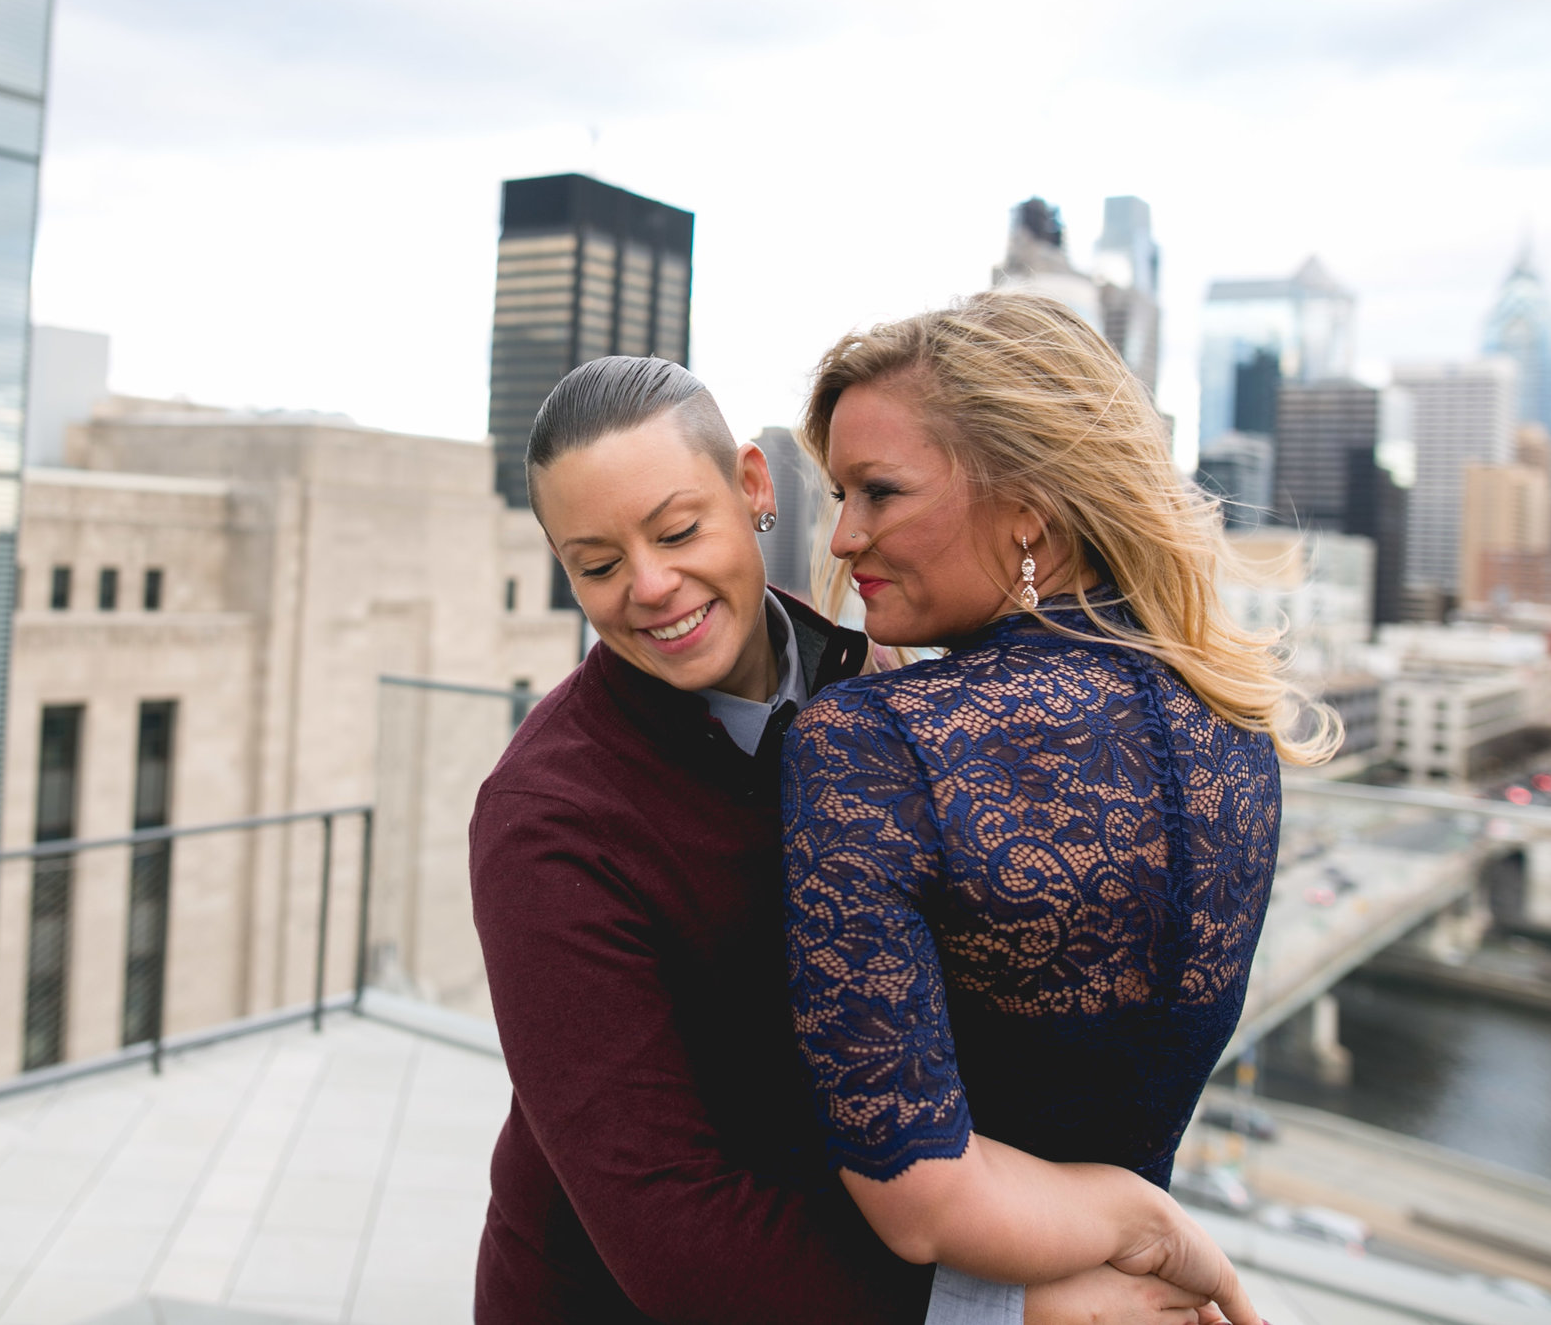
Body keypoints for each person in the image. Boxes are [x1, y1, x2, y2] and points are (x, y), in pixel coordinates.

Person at [470, 354, 1240, 1325]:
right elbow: (670, 1225)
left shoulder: (871, 684)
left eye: (676, 529)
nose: (651, 584)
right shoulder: (546, 818)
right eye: (597, 563)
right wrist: (1014, 1306)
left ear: (752, 488)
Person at [782, 294, 1330, 1304]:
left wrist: (1154, 1226)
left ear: (1028, 506)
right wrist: (1146, 1216)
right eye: (838, 493)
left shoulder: (875, 744)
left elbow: (917, 1196)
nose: (846, 534)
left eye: (880, 491)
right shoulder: (1231, 718)